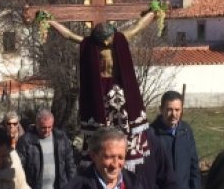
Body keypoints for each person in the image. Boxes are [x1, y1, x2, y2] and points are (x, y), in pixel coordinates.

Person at [46, 11, 157, 170]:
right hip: (101, 92)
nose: (109, 41)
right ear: (103, 40)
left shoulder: (120, 39)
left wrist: (155, 12)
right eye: (107, 39)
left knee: (125, 125)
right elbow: (69, 35)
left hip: (119, 89)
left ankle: (125, 154)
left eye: (111, 37)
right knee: (103, 128)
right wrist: (50, 21)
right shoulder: (91, 45)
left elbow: (138, 26)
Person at [18, 108, 77, 189]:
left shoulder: (61, 138)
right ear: (37, 124)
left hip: (58, 188)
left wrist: (72, 185)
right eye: (43, 128)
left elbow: (70, 163)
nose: (47, 131)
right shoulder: (26, 140)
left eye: (50, 127)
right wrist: (23, 188)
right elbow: (19, 166)